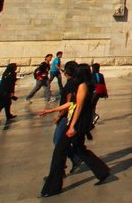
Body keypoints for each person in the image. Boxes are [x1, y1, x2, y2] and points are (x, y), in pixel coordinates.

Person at [39, 63, 110, 197]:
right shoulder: (80, 85)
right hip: (76, 123)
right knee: (79, 150)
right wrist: (51, 110)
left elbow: (79, 107)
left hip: (77, 124)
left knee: (59, 151)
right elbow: (72, 103)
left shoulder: (83, 86)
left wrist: (72, 126)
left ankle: (53, 187)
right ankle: (102, 171)